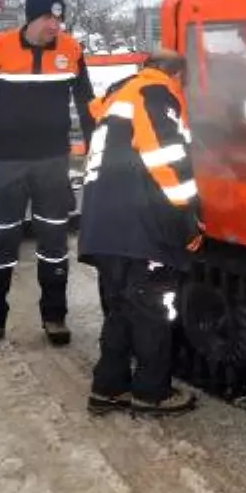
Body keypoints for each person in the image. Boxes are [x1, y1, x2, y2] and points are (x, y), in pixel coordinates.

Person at [0, 0, 95, 350]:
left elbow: (87, 103)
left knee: (54, 241)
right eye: (48, 18)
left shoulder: (71, 50)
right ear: (31, 17)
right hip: (6, 162)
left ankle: (54, 317)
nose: (56, 25)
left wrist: (96, 145)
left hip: (52, 162)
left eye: (60, 19)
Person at [79, 50, 202, 417]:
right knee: (152, 311)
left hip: (105, 224)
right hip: (139, 227)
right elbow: (166, 162)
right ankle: (152, 392)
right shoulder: (154, 94)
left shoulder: (120, 96)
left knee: (121, 308)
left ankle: (108, 388)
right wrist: (188, 219)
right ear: (174, 74)